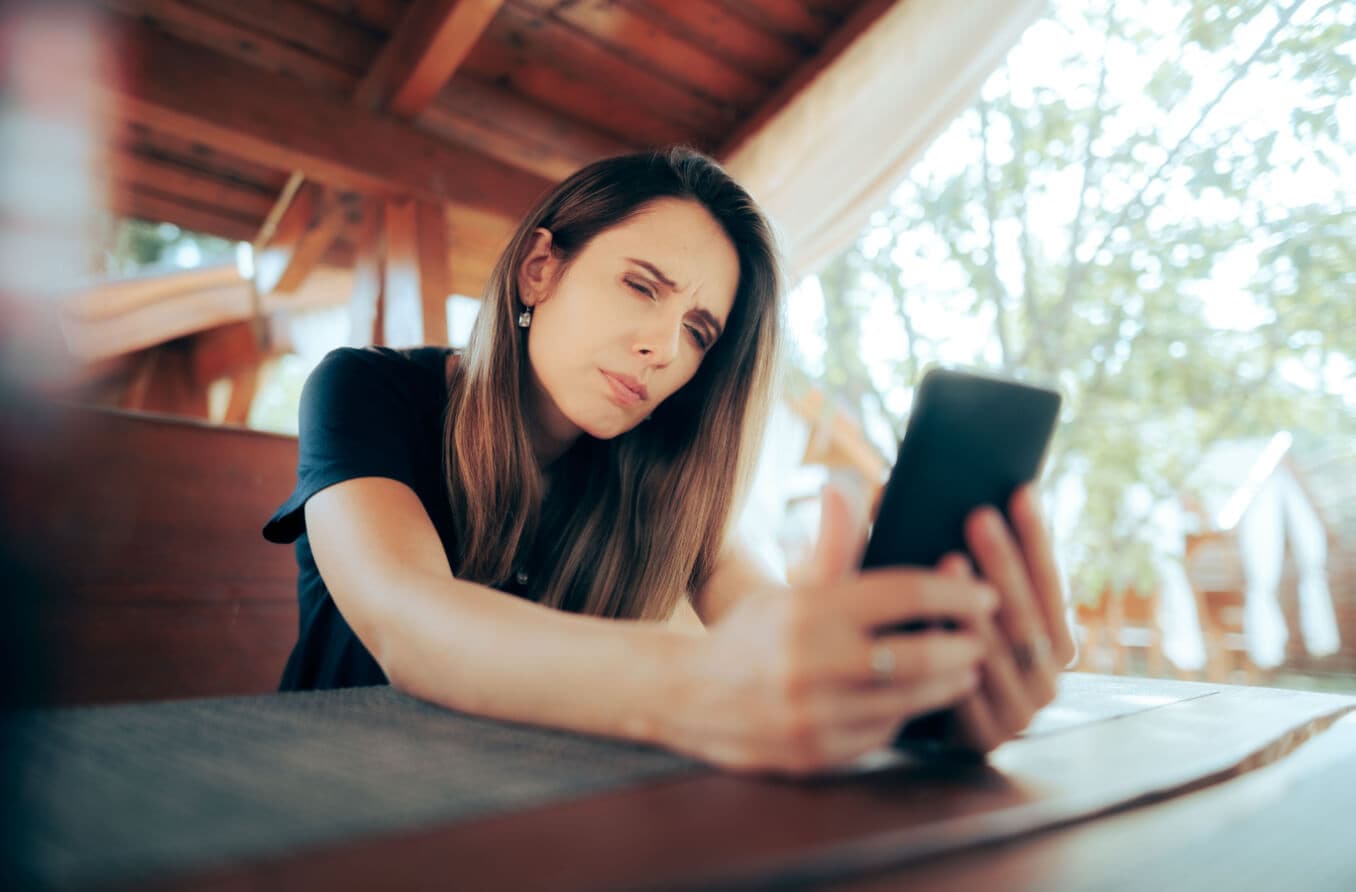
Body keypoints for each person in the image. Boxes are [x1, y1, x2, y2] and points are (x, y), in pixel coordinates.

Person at [263, 147, 1075, 776]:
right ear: (540, 268)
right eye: (641, 286)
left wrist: (880, 682)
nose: (662, 347)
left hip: (528, 810)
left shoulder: (660, 469)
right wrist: (700, 686)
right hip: (325, 799)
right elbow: (412, 627)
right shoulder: (364, 389)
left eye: (698, 331)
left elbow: (761, 616)